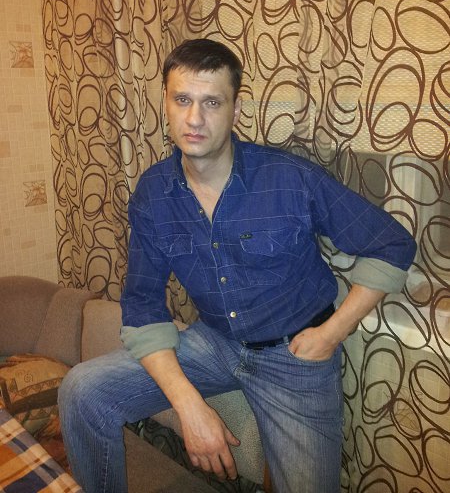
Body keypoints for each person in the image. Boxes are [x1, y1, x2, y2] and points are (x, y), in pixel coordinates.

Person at [59, 39, 417, 493]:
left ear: (235, 108)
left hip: (295, 358)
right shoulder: (153, 193)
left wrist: (332, 334)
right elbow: (143, 304)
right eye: (182, 100)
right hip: (215, 341)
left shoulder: (290, 178)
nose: (194, 118)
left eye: (212, 102)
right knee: (82, 391)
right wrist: (189, 405)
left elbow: (391, 245)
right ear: (165, 102)